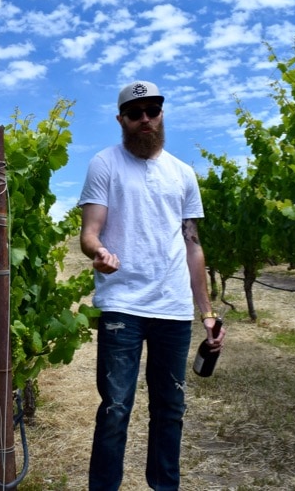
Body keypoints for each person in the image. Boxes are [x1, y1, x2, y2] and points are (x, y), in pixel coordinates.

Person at [78, 80, 226, 490]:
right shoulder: (104, 164)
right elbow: (90, 232)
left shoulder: (183, 173)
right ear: (121, 119)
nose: (145, 119)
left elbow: (192, 245)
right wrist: (98, 252)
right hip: (122, 304)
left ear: (162, 114)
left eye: (153, 110)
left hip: (173, 309)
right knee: (115, 408)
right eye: (135, 113)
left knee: (170, 408)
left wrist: (208, 314)